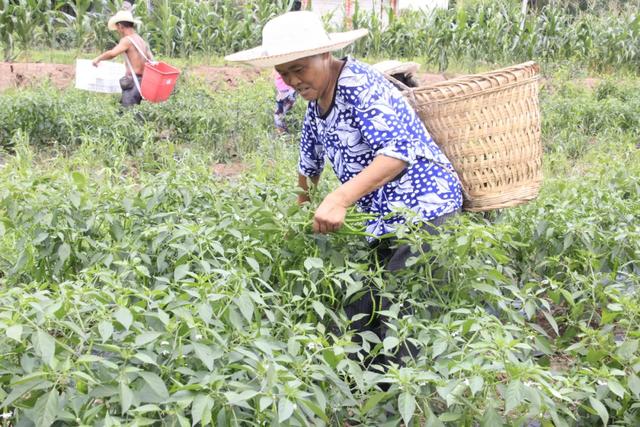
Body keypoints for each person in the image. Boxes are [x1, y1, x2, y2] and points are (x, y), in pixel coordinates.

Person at [225, 11, 463, 366]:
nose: (292, 80)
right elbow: (308, 163)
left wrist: (339, 198)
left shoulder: (359, 85)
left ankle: (404, 401)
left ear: (325, 56)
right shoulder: (316, 103)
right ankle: (364, 392)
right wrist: (300, 212)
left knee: (400, 311)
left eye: (299, 69)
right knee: (360, 306)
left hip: (424, 207)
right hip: (382, 215)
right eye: (284, 73)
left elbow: (396, 154)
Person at [92, 10, 152, 107]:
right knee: (137, 113)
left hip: (133, 83)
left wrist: (98, 58)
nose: (118, 31)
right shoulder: (140, 40)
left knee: (128, 114)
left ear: (120, 26)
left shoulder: (127, 40)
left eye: (117, 28)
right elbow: (151, 59)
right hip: (143, 82)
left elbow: (112, 53)